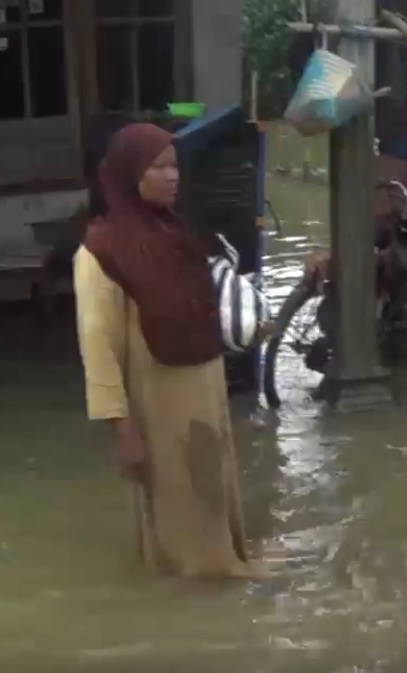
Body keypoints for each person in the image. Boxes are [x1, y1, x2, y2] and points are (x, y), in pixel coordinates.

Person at [75, 123, 263, 580]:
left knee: (212, 488)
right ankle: (203, 584)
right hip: (156, 402)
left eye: (175, 167)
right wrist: (123, 430)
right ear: (128, 175)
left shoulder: (175, 235)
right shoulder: (101, 250)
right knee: (179, 501)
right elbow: (97, 347)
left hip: (203, 390)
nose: (172, 176)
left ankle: (229, 558)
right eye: (158, 167)